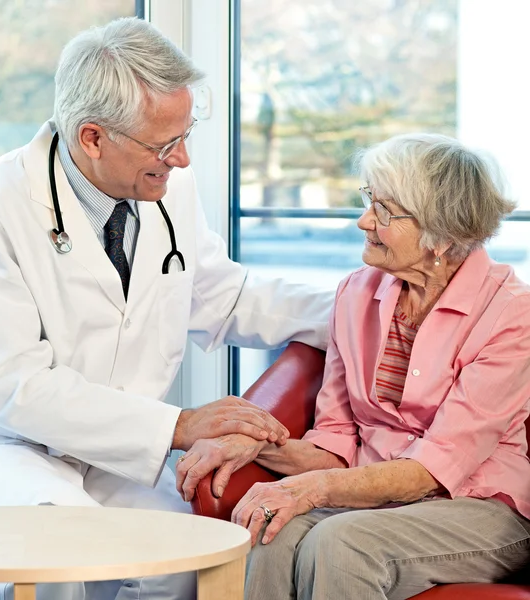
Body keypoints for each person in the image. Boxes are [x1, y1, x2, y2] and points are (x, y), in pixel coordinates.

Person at [0, 17, 333, 600]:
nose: (184, 159)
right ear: (92, 137)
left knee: (184, 563)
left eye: (186, 134)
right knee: (62, 556)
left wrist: (361, 308)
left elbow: (222, 295)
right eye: (166, 144)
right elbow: (13, 386)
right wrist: (181, 425)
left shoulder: (164, 186)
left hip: (113, 450)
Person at [176, 133, 530, 599]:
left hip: (480, 505)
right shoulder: (356, 294)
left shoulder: (511, 314)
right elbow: (335, 443)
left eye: (384, 211)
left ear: (441, 234)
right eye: (368, 200)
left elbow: (436, 469)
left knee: (343, 543)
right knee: (270, 531)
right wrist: (250, 441)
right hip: (376, 498)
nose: (364, 221)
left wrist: (314, 490)